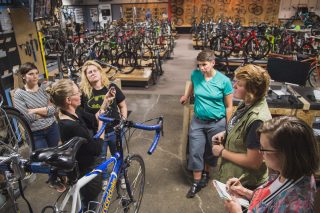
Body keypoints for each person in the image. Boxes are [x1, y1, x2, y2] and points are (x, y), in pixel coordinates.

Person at [224, 116, 319, 212]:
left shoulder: (294, 206)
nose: (260, 152)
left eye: (263, 148)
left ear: (286, 154)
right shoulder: (285, 172)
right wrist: (245, 192)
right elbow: (270, 199)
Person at [46, 79, 114, 208]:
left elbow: (93, 119)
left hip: (81, 164)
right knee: (91, 203)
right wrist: (102, 125)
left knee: (86, 200)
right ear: (68, 100)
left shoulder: (73, 112)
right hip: (87, 168)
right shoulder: (71, 126)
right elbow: (97, 148)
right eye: (77, 93)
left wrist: (104, 103)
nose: (81, 94)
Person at [180, 50, 233, 198]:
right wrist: (186, 95)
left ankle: (206, 173)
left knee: (211, 151)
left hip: (217, 123)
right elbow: (192, 85)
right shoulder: (195, 75)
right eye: (199, 65)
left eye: (204, 65)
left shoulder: (224, 81)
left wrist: (228, 127)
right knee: (195, 150)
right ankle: (196, 182)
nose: (202, 68)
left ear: (213, 63)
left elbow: (229, 106)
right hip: (198, 121)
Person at [212, 64, 271, 189]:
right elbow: (242, 127)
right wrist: (226, 133)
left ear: (252, 90)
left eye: (239, 84)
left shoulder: (257, 121)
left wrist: (222, 152)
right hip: (234, 175)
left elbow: (254, 162)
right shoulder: (248, 103)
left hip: (246, 183)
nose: (234, 86)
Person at [79, 60, 127, 180]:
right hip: (97, 133)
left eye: (95, 71)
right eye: (89, 72)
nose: (93, 73)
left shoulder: (111, 87)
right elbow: (80, 113)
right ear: (86, 76)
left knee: (119, 155)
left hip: (115, 130)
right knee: (101, 158)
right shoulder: (84, 93)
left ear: (100, 72)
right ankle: (104, 180)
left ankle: (121, 176)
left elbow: (123, 106)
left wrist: (123, 120)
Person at [14, 62, 60, 150]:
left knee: (55, 155)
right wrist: (47, 110)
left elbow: (54, 109)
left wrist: (35, 110)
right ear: (23, 76)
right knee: (42, 160)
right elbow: (28, 117)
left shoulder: (45, 87)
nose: (35, 76)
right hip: (35, 133)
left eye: (36, 73)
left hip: (52, 128)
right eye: (31, 74)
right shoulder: (19, 94)